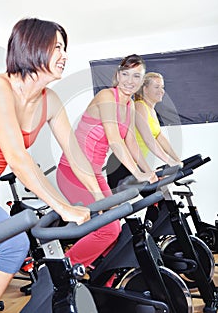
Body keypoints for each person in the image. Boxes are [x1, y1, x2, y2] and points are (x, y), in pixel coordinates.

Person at [0, 17, 107, 311]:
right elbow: (18, 159)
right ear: (32, 47)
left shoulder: (49, 100)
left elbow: (74, 153)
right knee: (13, 244)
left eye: (64, 48)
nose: (65, 55)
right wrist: (62, 207)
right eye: (57, 47)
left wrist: (97, 195)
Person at [56, 54, 157, 279]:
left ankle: (106, 280)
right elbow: (114, 140)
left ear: (141, 81)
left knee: (115, 228)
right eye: (126, 74)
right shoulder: (105, 96)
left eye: (137, 76)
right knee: (108, 229)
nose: (130, 80)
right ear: (117, 75)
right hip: (73, 172)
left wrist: (148, 171)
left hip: (95, 174)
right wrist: (138, 174)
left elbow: (130, 142)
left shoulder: (130, 105)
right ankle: (62, 271)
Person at [135, 71, 182, 166]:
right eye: (157, 87)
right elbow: (147, 138)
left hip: (138, 163)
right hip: (124, 164)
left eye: (162, 87)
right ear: (145, 89)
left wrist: (177, 159)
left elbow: (159, 137)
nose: (161, 91)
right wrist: (169, 161)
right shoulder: (139, 106)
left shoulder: (152, 110)